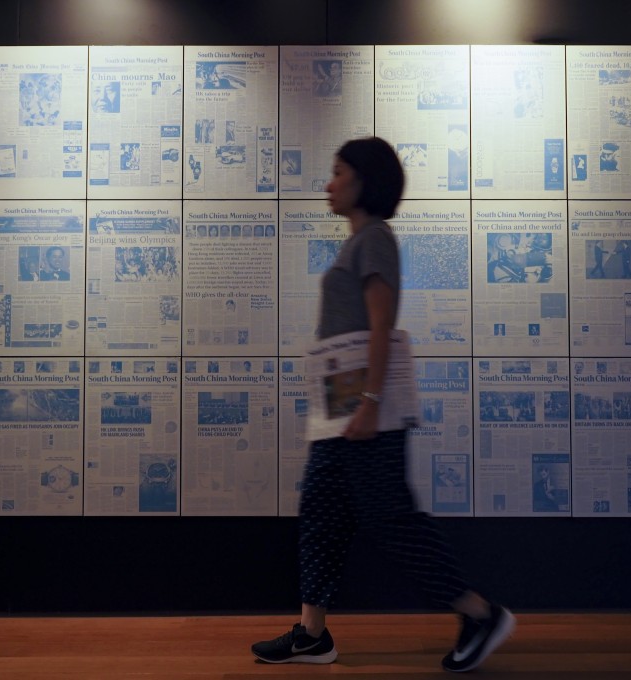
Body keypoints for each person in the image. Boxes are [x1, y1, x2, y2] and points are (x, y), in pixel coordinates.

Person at [250, 137, 514, 673]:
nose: (329, 183)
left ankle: (480, 613)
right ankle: (312, 634)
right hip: (338, 412)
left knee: (391, 519)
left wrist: (369, 403)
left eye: (339, 172)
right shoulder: (358, 243)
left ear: (365, 181)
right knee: (322, 513)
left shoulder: (376, 239)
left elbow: (381, 326)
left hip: (363, 412)